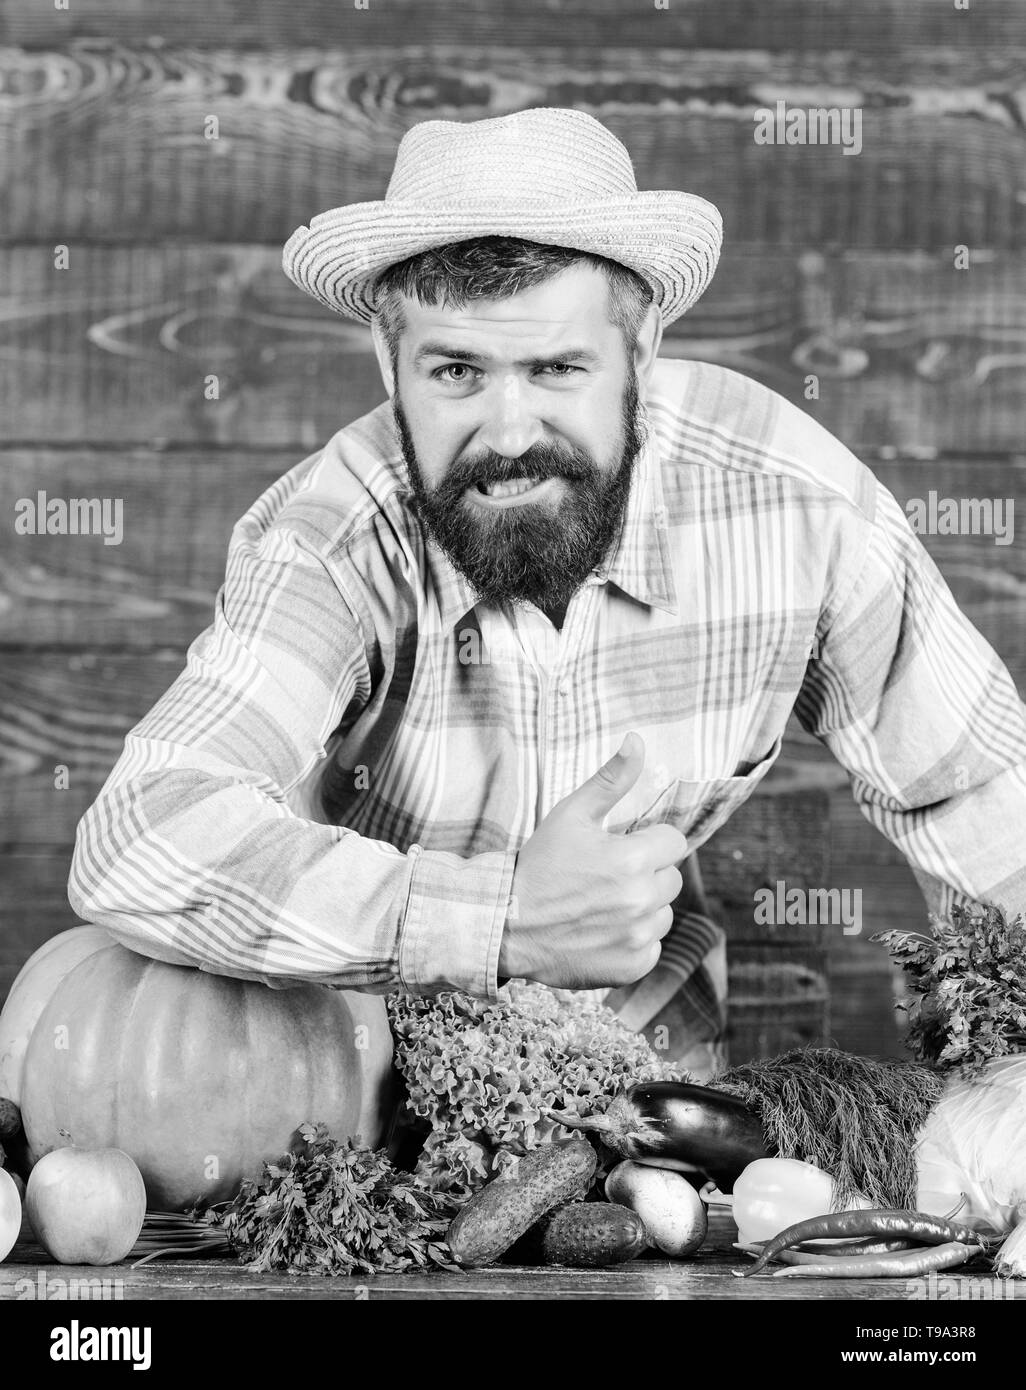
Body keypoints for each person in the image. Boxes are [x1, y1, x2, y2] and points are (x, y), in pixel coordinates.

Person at [68, 108, 1026, 1078]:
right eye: (455, 371)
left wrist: (1004, 1085)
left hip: (659, 1104)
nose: (510, 430)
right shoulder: (331, 538)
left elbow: (977, 795)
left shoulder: (795, 504)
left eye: (559, 367)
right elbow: (140, 833)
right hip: (354, 1106)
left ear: (642, 346)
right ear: (387, 364)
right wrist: (501, 919)